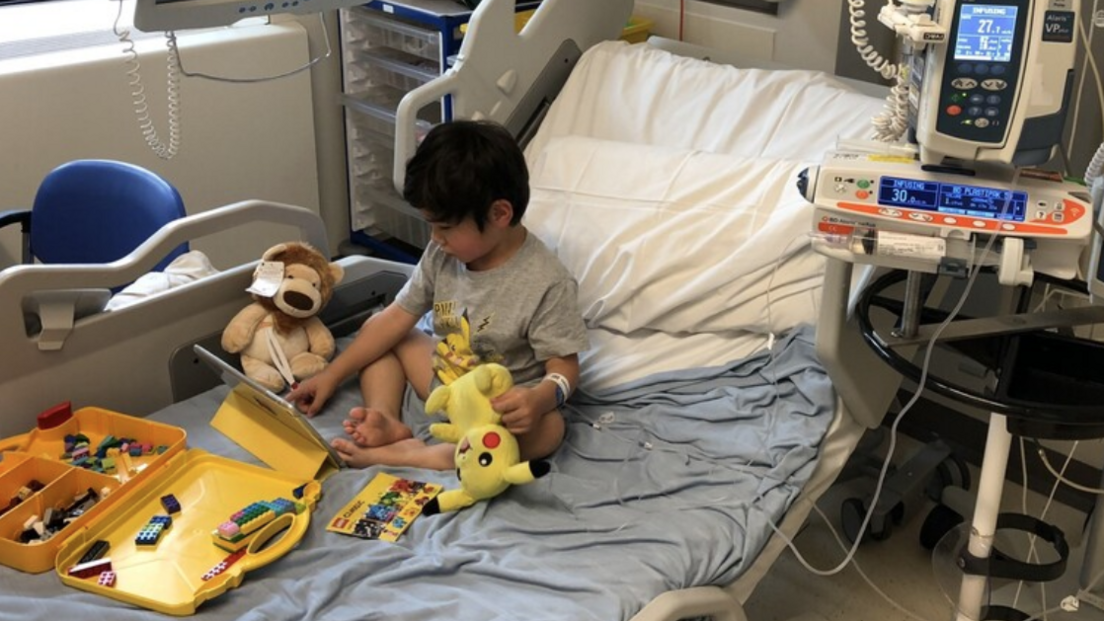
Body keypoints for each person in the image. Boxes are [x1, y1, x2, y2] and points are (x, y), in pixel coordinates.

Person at [287, 120, 589, 470]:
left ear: (499, 214)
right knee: (378, 329)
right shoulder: (442, 253)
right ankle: (386, 420)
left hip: (497, 411)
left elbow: (564, 367)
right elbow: (398, 318)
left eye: (444, 227)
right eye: (431, 225)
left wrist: (537, 399)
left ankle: (417, 456)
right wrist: (332, 374)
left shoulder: (546, 282)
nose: (434, 238)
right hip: (443, 382)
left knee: (549, 430)